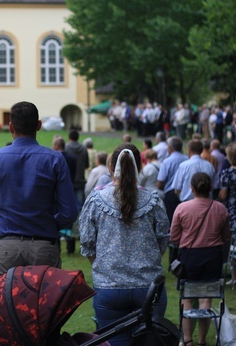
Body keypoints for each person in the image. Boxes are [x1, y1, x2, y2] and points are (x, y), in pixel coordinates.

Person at [0, 101, 78, 280]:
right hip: (43, 246)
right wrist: (45, 224)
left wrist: (6, 224)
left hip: (7, 247)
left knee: (4, 304)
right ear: (38, 125)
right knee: (44, 306)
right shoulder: (55, 160)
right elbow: (69, 212)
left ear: (11, 126)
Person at [79, 143, 169, 346]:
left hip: (109, 287)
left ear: (111, 167)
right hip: (148, 288)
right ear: (140, 167)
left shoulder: (96, 200)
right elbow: (163, 241)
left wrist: (102, 266)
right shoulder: (154, 200)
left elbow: (86, 243)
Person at [170, 172, 230, 346]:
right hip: (213, 257)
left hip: (190, 257)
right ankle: (202, 341)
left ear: (192, 188)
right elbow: (226, 236)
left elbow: (174, 237)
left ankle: (187, 340)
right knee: (206, 299)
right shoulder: (220, 208)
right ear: (210, 188)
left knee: (187, 298)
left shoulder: (182, 208)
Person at [219, 142, 236, 286]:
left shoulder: (227, 173)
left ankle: (234, 276)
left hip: (233, 210)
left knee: (233, 245)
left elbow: (223, 195)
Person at [65, 129, 89, 208]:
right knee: (80, 206)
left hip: (69, 181)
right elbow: (86, 165)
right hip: (80, 180)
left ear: (69, 137)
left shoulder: (66, 148)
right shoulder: (83, 148)